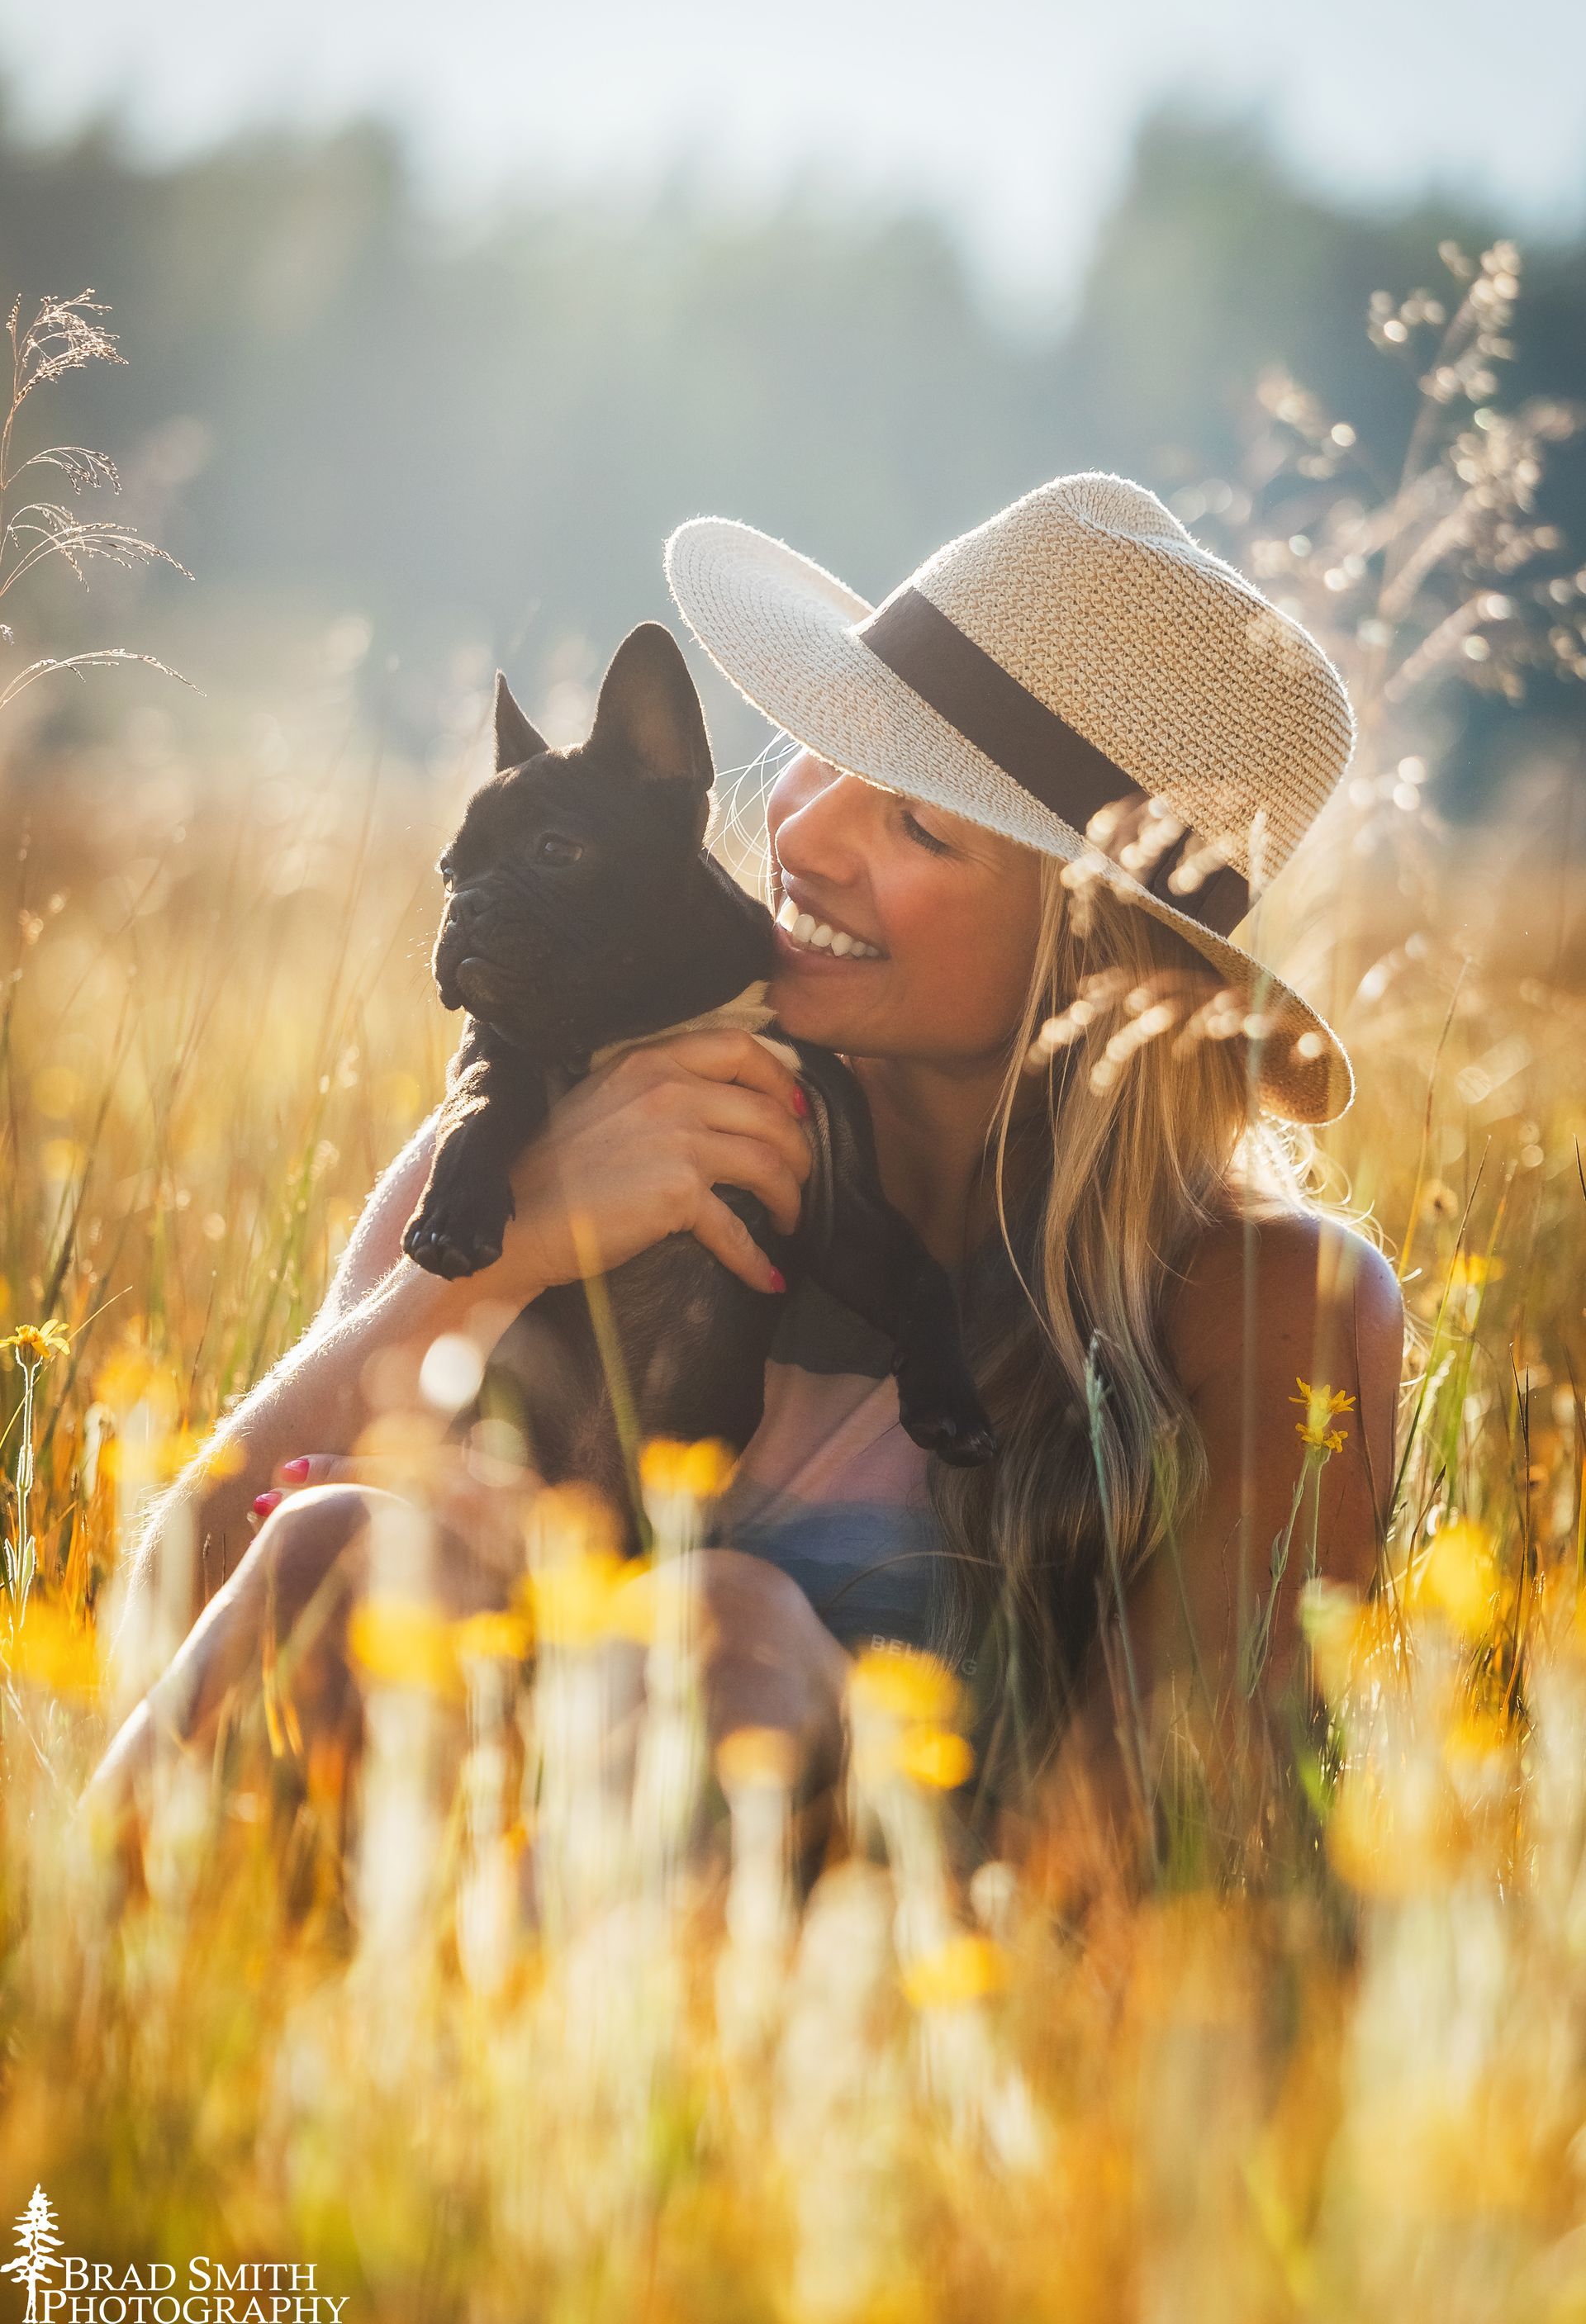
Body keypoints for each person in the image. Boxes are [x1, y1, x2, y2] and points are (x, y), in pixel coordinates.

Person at [92, 472, 1403, 1893]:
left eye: (918, 827)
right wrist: (503, 1256)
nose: (806, 834)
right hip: (442, 1955)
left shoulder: (1258, 1304)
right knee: (347, 1542)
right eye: (824, 749)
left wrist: (780, 1706)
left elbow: (1161, 1874)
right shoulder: (566, 1123)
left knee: (728, 1632)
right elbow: (155, 1628)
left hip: (904, 2027)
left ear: (1090, 954)